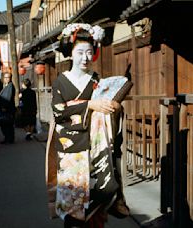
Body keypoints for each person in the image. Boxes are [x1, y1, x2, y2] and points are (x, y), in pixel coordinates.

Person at [46, 23, 130, 227]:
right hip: (70, 148)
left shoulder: (96, 80)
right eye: (80, 52)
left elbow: (108, 105)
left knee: (106, 188)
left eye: (89, 52)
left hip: (96, 144)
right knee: (73, 200)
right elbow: (59, 112)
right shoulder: (61, 82)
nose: (85, 57)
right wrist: (90, 104)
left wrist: (114, 107)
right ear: (71, 53)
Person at [0, 72, 16, 144]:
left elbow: (7, 97)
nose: (6, 79)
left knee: (7, 125)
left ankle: (9, 139)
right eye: (5, 77)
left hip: (7, 109)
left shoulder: (10, 86)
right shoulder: (5, 86)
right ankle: (8, 138)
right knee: (5, 125)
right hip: (5, 109)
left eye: (8, 77)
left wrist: (4, 107)